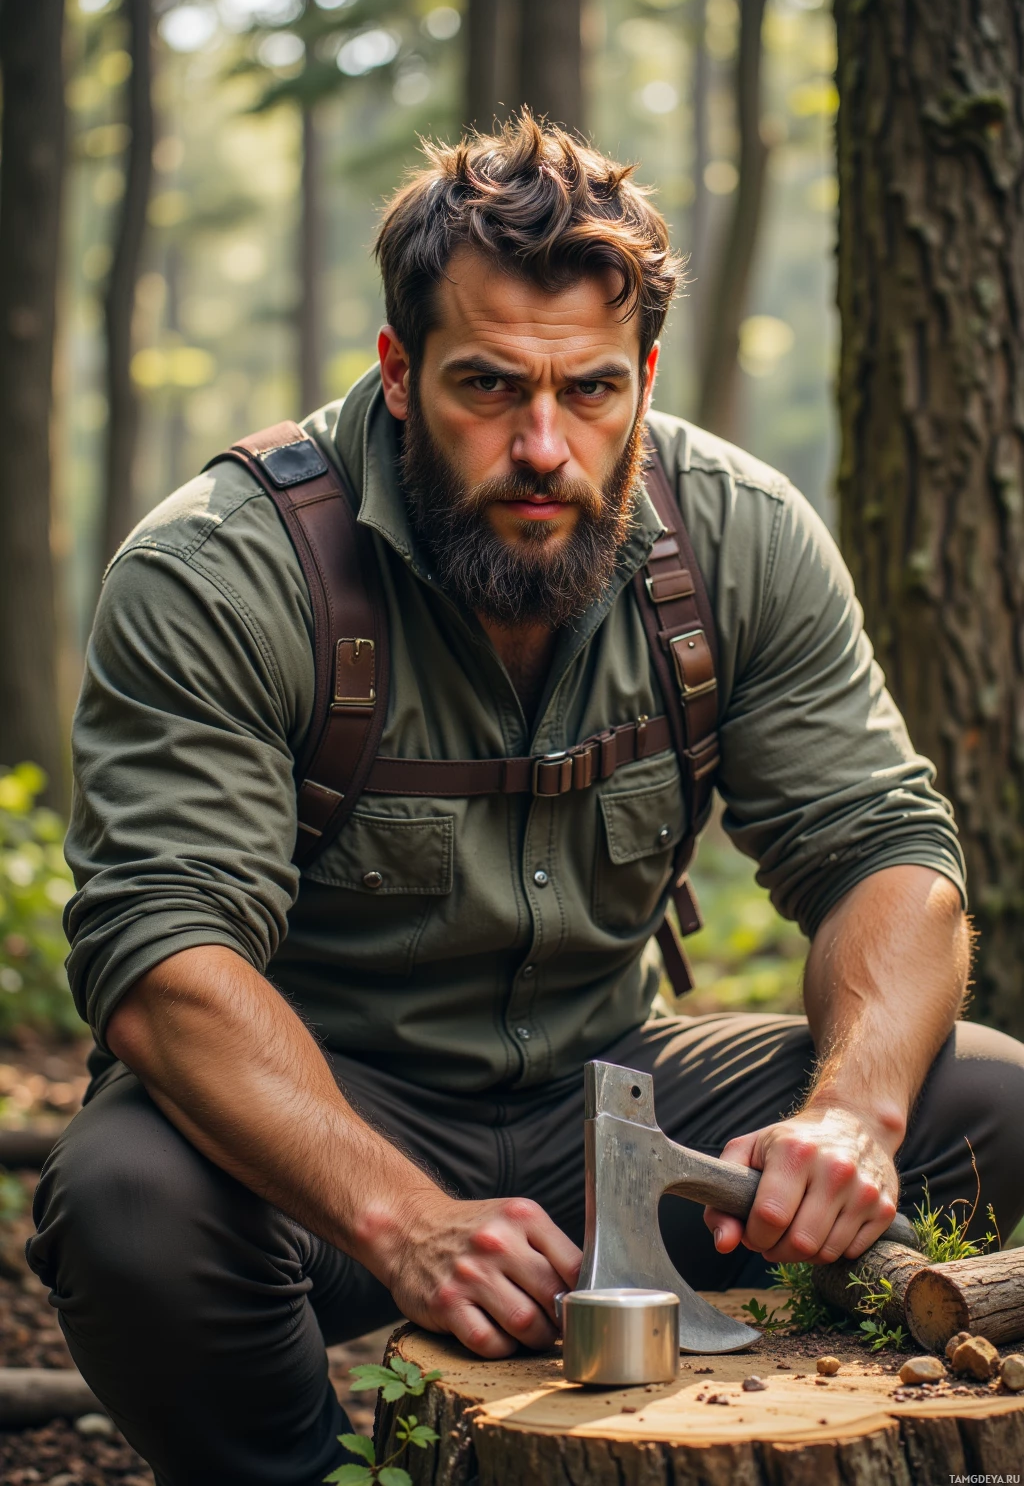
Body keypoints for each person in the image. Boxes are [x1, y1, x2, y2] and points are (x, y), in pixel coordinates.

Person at [28, 115, 1024, 1486]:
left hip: (617, 1108)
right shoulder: (223, 570)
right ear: (398, 371)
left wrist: (853, 1115)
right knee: (124, 1203)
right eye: (490, 387)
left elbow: (888, 852)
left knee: (994, 1099)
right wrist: (400, 1216)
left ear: (645, 377)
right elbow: (158, 956)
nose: (545, 445)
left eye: (593, 392)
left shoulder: (736, 533)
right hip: (318, 1123)